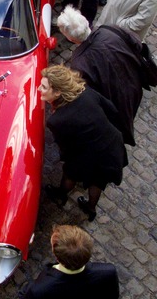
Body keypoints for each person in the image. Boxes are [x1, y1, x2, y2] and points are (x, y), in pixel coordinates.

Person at [39, 65, 128, 221]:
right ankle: (90, 208)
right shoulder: (85, 92)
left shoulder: (57, 120)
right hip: (111, 146)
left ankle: (61, 194)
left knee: (70, 174)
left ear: (58, 92)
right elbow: (112, 109)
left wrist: (68, 160)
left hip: (87, 155)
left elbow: (66, 148)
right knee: (99, 181)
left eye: (44, 87)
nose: (39, 88)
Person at [57, 5, 144, 145]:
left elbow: (90, 97)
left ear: (71, 39)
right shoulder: (110, 30)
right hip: (134, 84)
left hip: (115, 100)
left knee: (120, 125)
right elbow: (137, 44)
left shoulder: (79, 63)